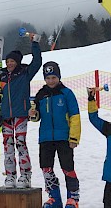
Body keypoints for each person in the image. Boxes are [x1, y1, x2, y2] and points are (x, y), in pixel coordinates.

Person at [0, 33, 42, 189]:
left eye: (12, 61)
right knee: (8, 145)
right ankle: (10, 175)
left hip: (20, 114)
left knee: (20, 143)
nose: (10, 63)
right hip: (5, 116)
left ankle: (25, 175)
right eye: (8, 61)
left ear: (18, 62)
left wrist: (35, 44)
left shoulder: (25, 73)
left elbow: (37, 62)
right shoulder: (3, 76)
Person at [29, 61, 81, 208]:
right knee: (46, 168)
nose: (51, 81)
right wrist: (32, 114)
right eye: (48, 78)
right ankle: (54, 198)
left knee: (67, 168)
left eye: (53, 77)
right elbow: (36, 117)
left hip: (64, 137)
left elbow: (75, 116)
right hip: (45, 138)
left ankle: (73, 198)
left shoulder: (66, 93)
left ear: (59, 77)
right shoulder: (41, 95)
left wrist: (74, 137)